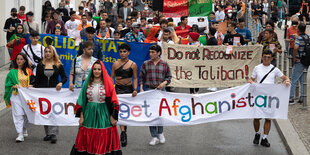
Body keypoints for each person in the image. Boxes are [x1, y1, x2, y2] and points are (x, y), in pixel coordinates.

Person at [70, 60, 122, 155]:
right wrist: (81, 116)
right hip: (89, 113)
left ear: (102, 70)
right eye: (94, 69)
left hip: (104, 113)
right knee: (87, 135)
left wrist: (113, 116)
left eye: (99, 69)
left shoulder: (108, 83)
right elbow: (81, 100)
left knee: (103, 136)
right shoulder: (87, 83)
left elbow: (114, 100)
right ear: (92, 70)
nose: (97, 71)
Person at [249, 50, 290, 147]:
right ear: (262, 57)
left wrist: (287, 81)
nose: (266, 59)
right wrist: (251, 82)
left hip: (270, 97)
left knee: (268, 118)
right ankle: (257, 134)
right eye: (264, 57)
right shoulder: (257, 68)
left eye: (268, 57)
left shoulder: (275, 69)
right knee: (257, 117)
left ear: (272, 58)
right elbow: (251, 79)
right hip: (259, 96)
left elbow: (285, 77)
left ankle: (264, 138)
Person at [139, 45, 172, 146]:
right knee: (151, 113)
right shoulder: (146, 64)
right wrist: (141, 88)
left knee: (161, 112)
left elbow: (169, 77)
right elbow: (141, 77)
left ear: (158, 53)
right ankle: (154, 136)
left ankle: (160, 133)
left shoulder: (165, 64)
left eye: (153, 52)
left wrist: (164, 83)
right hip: (149, 90)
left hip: (161, 91)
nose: (151, 54)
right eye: (150, 52)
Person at [34, 45, 67, 144]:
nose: (47, 53)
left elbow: (64, 77)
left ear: (53, 53)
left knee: (53, 112)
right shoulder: (40, 65)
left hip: (54, 93)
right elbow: (37, 79)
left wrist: (61, 83)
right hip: (43, 93)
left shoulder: (58, 64)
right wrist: (31, 88)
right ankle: (47, 133)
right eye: (46, 52)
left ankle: (53, 134)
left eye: (49, 51)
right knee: (45, 112)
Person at [111, 43, 138, 147]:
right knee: (116, 111)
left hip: (128, 90)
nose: (122, 53)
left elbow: (135, 78)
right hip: (117, 90)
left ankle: (123, 133)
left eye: (124, 51)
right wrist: (111, 89)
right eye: (121, 51)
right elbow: (111, 77)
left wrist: (135, 89)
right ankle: (119, 132)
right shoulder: (115, 64)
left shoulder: (133, 65)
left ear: (128, 52)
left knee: (124, 111)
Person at [4, 53, 34, 142]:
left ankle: (24, 128)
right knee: (18, 114)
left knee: (26, 114)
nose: (19, 61)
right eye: (17, 59)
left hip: (27, 97)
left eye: (21, 59)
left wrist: (31, 86)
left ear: (24, 60)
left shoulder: (29, 71)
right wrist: (13, 86)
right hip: (16, 95)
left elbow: (34, 82)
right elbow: (7, 84)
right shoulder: (12, 72)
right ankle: (20, 134)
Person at [289, 23, 309, 105]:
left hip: (299, 60)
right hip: (307, 61)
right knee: (302, 79)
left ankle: (291, 98)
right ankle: (302, 98)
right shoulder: (308, 37)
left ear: (298, 29)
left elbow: (296, 47)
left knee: (293, 80)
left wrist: (294, 58)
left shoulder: (298, 38)